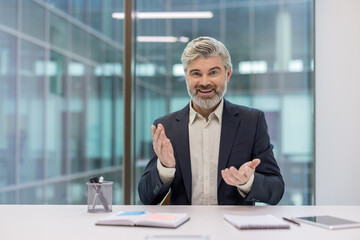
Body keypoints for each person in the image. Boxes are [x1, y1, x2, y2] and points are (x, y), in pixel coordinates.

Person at [138, 36, 284, 205]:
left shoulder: (252, 122)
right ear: (186, 76)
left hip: (232, 228)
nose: (205, 82)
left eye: (213, 72)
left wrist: (248, 182)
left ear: (227, 74)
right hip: (185, 228)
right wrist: (164, 168)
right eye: (196, 73)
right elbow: (147, 197)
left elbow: (276, 190)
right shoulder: (165, 127)